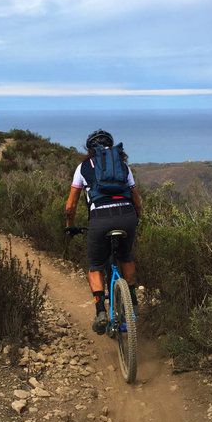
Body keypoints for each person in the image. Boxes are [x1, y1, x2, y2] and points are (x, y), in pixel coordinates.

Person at [65, 129, 142, 334]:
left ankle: (100, 310)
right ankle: (133, 300)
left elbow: (70, 206)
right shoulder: (123, 167)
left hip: (100, 219)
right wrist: (136, 220)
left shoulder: (83, 168)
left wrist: (69, 225)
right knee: (126, 256)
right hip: (127, 216)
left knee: (96, 265)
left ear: (90, 150)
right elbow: (137, 201)